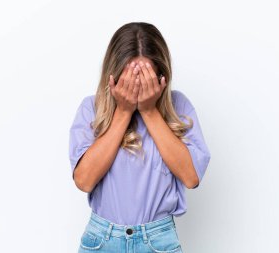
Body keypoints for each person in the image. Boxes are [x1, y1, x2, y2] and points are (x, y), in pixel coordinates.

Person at [69, 22, 211, 253]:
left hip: (158, 239)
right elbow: (84, 181)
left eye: (145, 77)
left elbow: (191, 177)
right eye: (129, 77)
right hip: (102, 240)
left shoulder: (179, 106)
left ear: (161, 77)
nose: (137, 85)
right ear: (112, 76)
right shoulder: (91, 108)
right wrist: (123, 112)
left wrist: (149, 111)